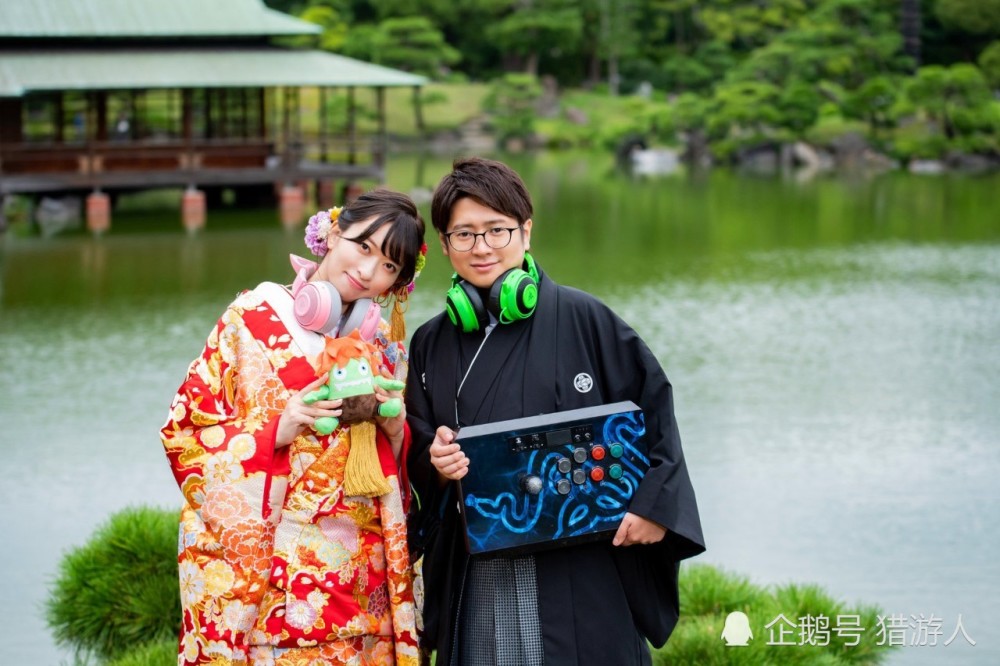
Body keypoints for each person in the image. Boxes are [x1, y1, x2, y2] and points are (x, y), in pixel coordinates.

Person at [405, 157, 705, 665]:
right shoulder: (432, 341)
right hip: (479, 561)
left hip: (584, 558)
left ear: (526, 230)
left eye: (496, 230)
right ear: (443, 242)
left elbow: (654, 411)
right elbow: (415, 437)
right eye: (464, 235)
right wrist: (434, 461)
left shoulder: (587, 319)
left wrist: (656, 505)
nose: (482, 248)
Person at [161, 189, 427, 665]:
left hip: (362, 591)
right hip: (272, 587)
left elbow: (399, 482)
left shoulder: (385, 347)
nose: (368, 272)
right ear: (333, 231)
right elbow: (185, 433)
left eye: (388, 267)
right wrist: (276, 430)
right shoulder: (252, 318)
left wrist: (396, 434)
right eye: (363, 247)